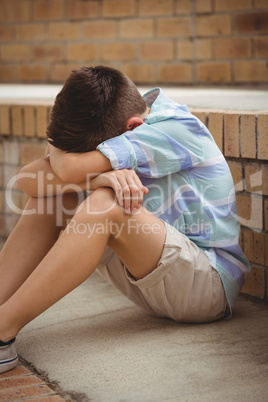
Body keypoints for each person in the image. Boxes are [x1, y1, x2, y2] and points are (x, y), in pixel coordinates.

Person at [0, 66, 250, 374]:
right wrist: (98, 177)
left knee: (106, 203)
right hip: (150, 274)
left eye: (95, 153)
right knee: (53, 196)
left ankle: (2, 332)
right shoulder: (104, 118)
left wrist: (79, 170)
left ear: (133, 128)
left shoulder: (175, 128)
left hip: (206, 287)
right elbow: (26, 181)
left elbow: (67, 170)